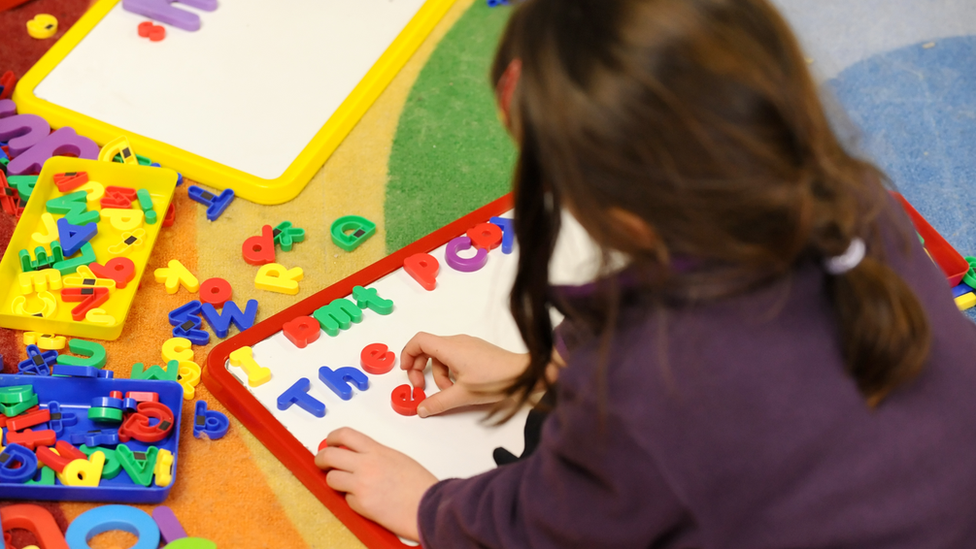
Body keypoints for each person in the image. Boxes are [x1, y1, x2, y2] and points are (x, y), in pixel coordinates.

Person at [315, 0, 976, 546]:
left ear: (623, 215)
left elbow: (556, 524)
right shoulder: (857, 203)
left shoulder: (645, 385)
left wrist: (429, 505)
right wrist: (543, 372)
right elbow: (771, 396)